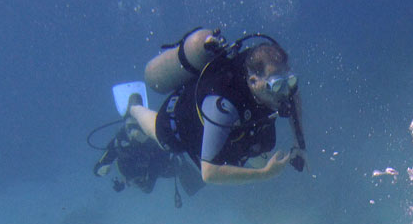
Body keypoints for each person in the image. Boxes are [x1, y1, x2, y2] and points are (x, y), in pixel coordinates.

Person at [125, 31, 306, 186]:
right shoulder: (223, 106)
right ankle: (134, 108)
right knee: (161, 135)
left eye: (290, 81)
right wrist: (265, 174)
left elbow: (293, 93)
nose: (285, 93)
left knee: (263, 141)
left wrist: (300, 144)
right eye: (277, 86)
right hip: (178, 123)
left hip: (236, 122)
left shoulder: (267, 70)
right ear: (253, 81)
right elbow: (209, 173)